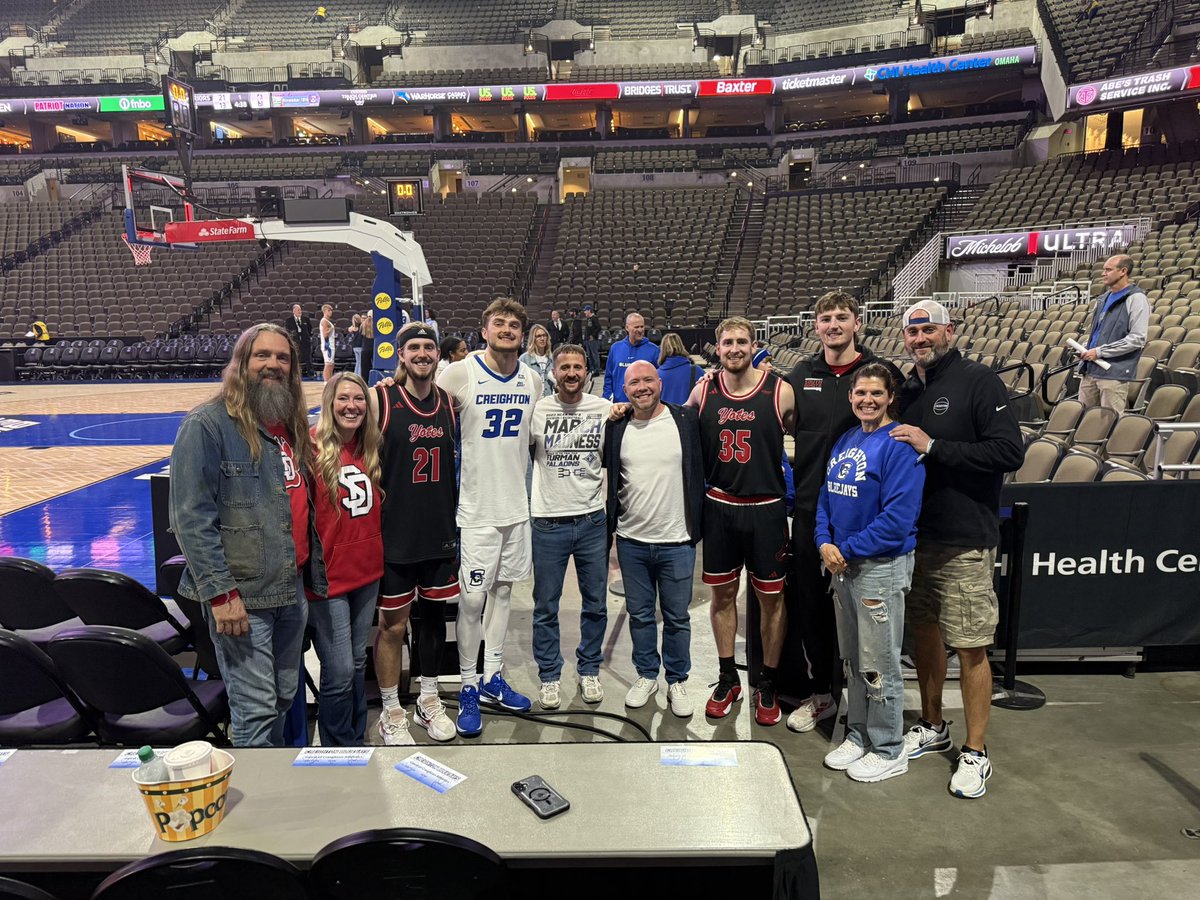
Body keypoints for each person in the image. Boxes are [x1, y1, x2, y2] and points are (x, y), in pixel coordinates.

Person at [892, 299, 1023, 799]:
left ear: (949, 330)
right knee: (925, 636)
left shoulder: (979, 381)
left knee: (970, 645)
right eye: (913, 331)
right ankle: (931, 723)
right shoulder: (908, 389)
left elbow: (1009, 451)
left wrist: (935, 447)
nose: (920, 338)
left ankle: (975, 751)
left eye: (928, 329)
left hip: (965, 539)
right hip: (916, 536)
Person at [168, 323, 312, 747]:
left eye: (282, 358)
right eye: (262, 356)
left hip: (290, 591)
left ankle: (276, 786)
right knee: (256, 709)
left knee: (284, 697)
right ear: (241, 363)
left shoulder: (289, 426)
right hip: (243, 598)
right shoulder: (207, 425)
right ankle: (259, 806)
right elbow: (190, 520)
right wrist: (221, 595)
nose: (273, 365)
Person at [785, 291, 902, 734]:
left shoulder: (877, 375)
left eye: (841, 317)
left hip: (862, 516)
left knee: (862, 615)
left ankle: (865, 704)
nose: (833, 325)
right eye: (825, 318)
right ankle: (822, 696)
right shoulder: (801, 373)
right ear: (815, 326)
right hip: (813, 512)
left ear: (857, 322)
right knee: (813, 609)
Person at [437, 297, 542, 736]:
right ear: (484, 330)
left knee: (504, 595)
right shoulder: (460, 372)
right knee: (472, 600)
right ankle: (467, 684)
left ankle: (493, 678)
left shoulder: (534, 380)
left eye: (514, 325)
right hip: (476, 510)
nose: (506, 330)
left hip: (516, 510)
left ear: (522, 334)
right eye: (499, 323)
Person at [816, 364, 925, 783]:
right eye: (861, 393)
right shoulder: (848, 438)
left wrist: (844, 548)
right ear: (851, 396)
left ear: (890, 397)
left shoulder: (898, 444)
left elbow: (897, 520)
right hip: (842, 566)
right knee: (854, 660)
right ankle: (859, 733)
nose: (867, 400)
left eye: (876, 394)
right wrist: (824, 542)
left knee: (880, 663)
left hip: (878, 567)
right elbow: (826, 497)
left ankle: (888, 746)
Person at [687, 316, 796, 725]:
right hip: (719, 506)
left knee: (771, 599)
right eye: (727, 342)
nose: (734, 348)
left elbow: (811, 436)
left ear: (754, 346)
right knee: (722, 596)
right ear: (718, 348)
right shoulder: (703, 390)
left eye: (742, 342)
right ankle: (728, 676)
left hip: (767, 507)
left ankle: (766, 681)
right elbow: (676, 429)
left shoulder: (779, 390)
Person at [371, 323, 460, 745]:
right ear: (401, 356)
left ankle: (428, 698)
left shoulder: (448, 403)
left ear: (438, 356)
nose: (423, 353)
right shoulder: (382, 398)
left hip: (439, 533)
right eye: (414, 348)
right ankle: (391, 709)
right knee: (391, 626)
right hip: (395, 536)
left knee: (434, 620)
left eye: (429, 347)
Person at [606, 360, 704, 717]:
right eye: (634, 383)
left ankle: (677, 680)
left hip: (677, 539)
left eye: (648, 380)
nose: (641, 387)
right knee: (641, 614)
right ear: (624, 388)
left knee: (677, 617)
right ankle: (647, 674)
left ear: (659, 383)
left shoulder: (685, 421)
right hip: (632, 540)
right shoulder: (616, 427)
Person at [529, 343, 611, 708]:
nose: (572, 373)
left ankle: (589, 668)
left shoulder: (605, 409)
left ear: (586, 371)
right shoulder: (539, 410)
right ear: (554, 372)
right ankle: (549, 675)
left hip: (593, 520)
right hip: (548, 522)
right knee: (546, 605)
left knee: (595, 603)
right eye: (565, 368)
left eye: (578, 367)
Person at [307, 372, 383, 747]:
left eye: (358, 399)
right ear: (329, 404)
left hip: (368, 572)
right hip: (329, 580)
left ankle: (356, 735)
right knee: (337, 670)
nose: (351, 405)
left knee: (355, 662)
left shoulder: (370, 445)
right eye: (342, 399)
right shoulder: (310, 447)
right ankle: (336, 748)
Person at [1076, 254, 1149, 413]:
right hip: (1090, 371)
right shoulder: (1102, 299)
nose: (1103, 273)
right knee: (1084, 422)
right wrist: (1086, 348)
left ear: (1123, 271)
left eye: (1108, 270)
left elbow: (1137, 338)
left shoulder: (1136, 298)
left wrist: (1100, 351)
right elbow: (1097, 333)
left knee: (1111, 424)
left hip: (1113, 375)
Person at [604, 312, 659, 403]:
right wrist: (607, 398)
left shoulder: (654, 350)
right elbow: (608, 377)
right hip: (619, 404)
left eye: (642, 326)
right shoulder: (615, 348)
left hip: (644, 405)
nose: (640, 330)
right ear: (627, 328)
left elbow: (659, 379)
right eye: (636, 327)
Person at [657, 332, 702, 405]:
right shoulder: (697, 371)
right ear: (681, 346)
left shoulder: (655, 375)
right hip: (689, 415)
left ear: (662, 349)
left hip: (665, 415)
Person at [520, 323, 556, 397]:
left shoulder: (553, 359)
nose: (542, 339)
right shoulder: (524, 359)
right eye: (538, 336)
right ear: (533, 339)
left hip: (549, 399)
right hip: (532, 399)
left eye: (544, 335)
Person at [284, 304, 312, 376]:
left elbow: (309, 329)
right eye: (298, 310)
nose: (300, 311)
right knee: (296, 358)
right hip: (295, 343)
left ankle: (310, 373)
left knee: (308, 358)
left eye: (300, 310)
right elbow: (287, 331)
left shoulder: (306, 319)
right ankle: (295, 374)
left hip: (305, 342)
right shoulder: (289, 320)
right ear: (293, 311)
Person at [582, 305, 602, 376]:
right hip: (588, 340)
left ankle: (597, 370)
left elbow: (599, 327)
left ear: (589, 311)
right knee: (590, 356)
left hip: (592, 340)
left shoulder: (594, 318)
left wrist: (593, 335)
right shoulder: (589, 319)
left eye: (585, 311)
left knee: (594, 355)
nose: (584, 312)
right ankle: (592, 369)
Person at [319, 304, 336, 382]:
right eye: (329, 310)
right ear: (325, 311)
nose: (331, 312)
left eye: (331, 310)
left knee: (331, 364)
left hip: (331, 344)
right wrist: (331, 329)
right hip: (327, 345)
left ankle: (329, 381)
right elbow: (325, 334)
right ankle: (326, 382)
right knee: (328, 364)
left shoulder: (327, 321)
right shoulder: (324, 321)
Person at [348, 314, 364, 378]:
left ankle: (355, 374)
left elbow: (349, 329)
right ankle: (359, 375)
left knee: (357, 362)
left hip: (354, 346)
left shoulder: (352, 328)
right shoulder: (361, 327)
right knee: (360, 362)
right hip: (360, 346)